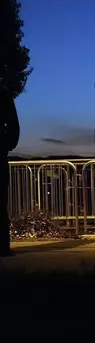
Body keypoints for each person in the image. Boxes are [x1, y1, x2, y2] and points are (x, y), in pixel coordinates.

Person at [0, 86, 19, 257]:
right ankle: (2, 246)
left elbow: (13, 126)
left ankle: (2, 246)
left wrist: (5, 146)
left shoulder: (3, 94)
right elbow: (13, 125)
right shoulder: (4, 94)